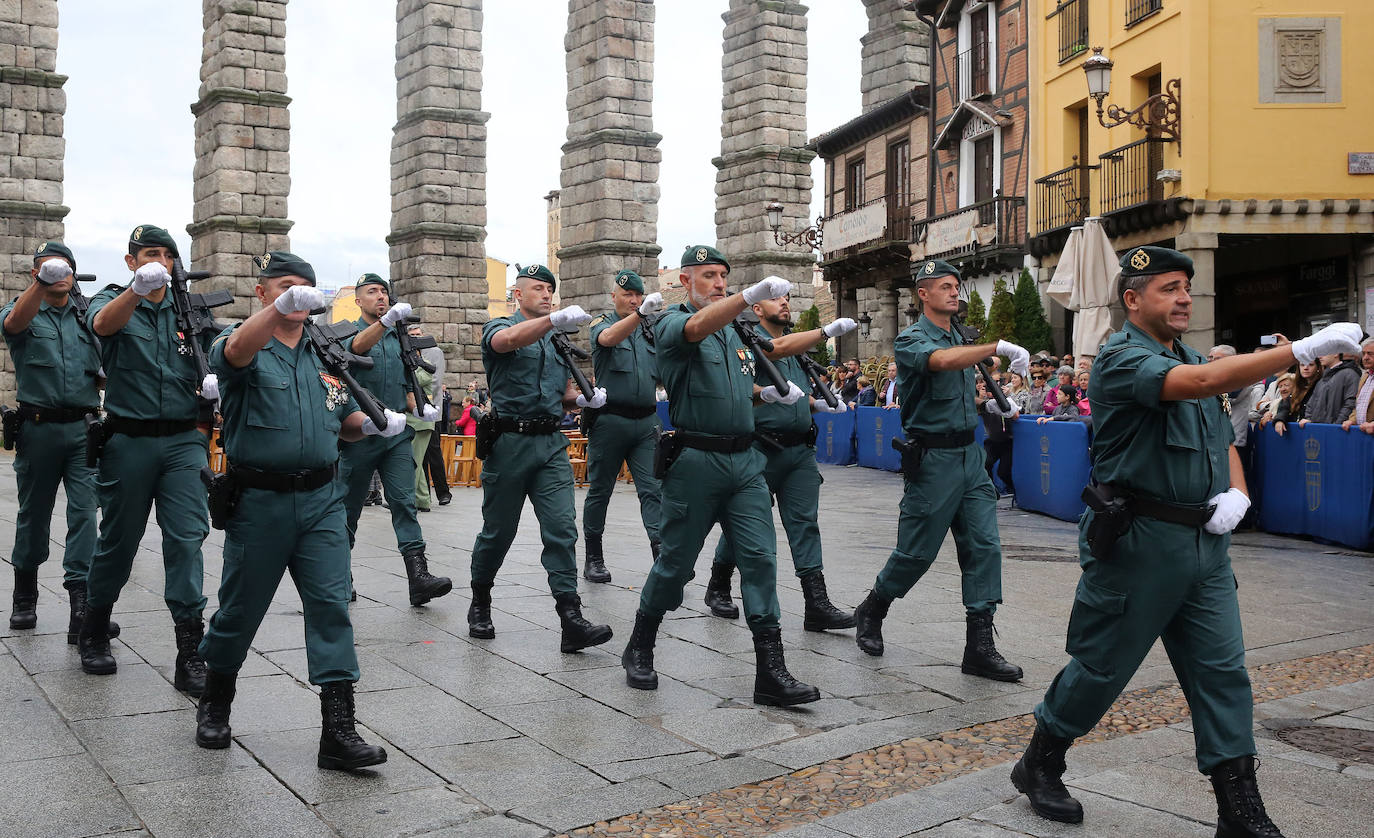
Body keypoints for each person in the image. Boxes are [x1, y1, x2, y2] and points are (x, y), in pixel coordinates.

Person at [1011, 245, 1361, 835]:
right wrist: (1296, 351)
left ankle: (1240, 809)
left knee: (1223, 672)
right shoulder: (1122, 357)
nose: (1182, 298)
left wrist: (1238, 492)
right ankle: (1041, 759)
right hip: (1138, 543)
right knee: (1101, 667)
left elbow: (1220, 432)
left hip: (1203, 543)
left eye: (1186, 288)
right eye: (1168, 288)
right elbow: (1199, 383)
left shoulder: (1190, 354)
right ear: (1132, 299)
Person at [195, 251, 399, 770]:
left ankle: (339, 731)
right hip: (260, 501)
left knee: (331, 606)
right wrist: (279, 309)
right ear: (261, 292)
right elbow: (235, 351)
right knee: (241, 609)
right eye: (285, 286)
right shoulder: (241, 342)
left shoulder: (324, 351)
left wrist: (371, 425)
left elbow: (343, 417)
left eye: (304, 287)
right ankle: (215, 700)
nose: (296, 295)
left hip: (322, 500)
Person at [620, 246, 819, 707]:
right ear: (684, 282)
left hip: (746, 461)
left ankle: (771, 671)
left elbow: (737, 382)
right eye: (708, 275)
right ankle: (641, 643)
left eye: (723, 276)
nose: (718, 282)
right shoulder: (671, 321)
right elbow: (694, 329)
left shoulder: (736, 330)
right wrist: (747, 298)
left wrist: (763, 395)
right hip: (695, 461)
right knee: (675, 565)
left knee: (760, 560)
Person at [852, 259, 1025, 682]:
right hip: (933, 461)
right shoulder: (913, 340)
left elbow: (957, 394)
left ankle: (980, 647)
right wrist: (996, 347)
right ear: (923, 294)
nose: (953, 292)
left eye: (956, 286)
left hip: (969, 457)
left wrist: (991, 404)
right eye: (944, 286)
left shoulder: (962, 339)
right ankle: (873, 607)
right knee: (916, 553)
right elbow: (942, 363)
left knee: (984, 547)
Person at [77, 225, 216, 694]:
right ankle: (95, 627)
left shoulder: (191, 309)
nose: (159, 261)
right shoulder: (113, 299)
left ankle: (189, 651)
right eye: (149, 254)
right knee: (119, 540)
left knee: (186, 540)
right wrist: (137, 292)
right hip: (129, 439)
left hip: (183, 441)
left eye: (167, 255)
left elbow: (220, 353)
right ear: (131, 261)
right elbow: (101, 327)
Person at [468, 264, 613, 652]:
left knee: (562, 529)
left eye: (550, 289)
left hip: (550, 442)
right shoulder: (500, 325)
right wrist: (551, 321)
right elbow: (505, 343)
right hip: (510, 443)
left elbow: (563, 391)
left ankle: (571, 617)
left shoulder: (556, 339)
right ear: (518, 294)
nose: (546, 294)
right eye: (537, 288)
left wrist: (582, 397)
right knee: (498, 532)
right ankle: (480, 599)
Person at [701, 292, 857, 631]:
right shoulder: (749, 345)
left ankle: (816, 604)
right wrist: (825, 333)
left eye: (788, 298)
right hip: (760, 449)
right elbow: (752, 387)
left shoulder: (795, 348)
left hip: (799, 452)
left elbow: (797, 393)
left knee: (805, 524)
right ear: (756, 309)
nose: (785, 303)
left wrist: (819, 405)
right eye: (776, 300)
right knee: (747, 522)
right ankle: (719, 583)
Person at [2, 242, 111, 642]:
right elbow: (13, 324)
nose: (58, 273)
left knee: (85, 514)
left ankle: (79, 603)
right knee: (34, 513)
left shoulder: (88, 319)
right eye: (48, 268)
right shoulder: (24, 309)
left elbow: (103, 368)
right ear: (35, 274)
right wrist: (38, 286)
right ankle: (25, 592)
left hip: (83, 429)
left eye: (64, 267)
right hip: (39, 428)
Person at [337, 274, 450, 607]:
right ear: (359, 300)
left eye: (384, 291)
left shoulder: (400, 340)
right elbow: (356, 349)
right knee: (348, 510)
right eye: (372, 292)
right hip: (360, 435)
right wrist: (386, 323)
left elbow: (405, 389)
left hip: (396, 435)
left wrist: (424, 407)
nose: (380, 296)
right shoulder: (349, 331)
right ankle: (341, 577)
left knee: (404, 502)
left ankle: (419, 577)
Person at [582, 269, 664, 583]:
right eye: (627, 294)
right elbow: (607, 339)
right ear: (614, 295)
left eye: (637, 296)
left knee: (653, 491)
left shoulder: (650, 330)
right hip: (610, 421)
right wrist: (640, 315)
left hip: (645, 421)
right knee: (600, 491)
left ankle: (662, 556)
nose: (633, 300)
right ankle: (594, 557)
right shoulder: (601, 323)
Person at [405, 324, 440, 512]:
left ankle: (409, 500)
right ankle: (422, 500)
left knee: (414, 463)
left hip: (421, 421)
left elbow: (417, 380)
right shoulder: (417, 362)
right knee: (416, 462)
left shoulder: (424, 363)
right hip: (415, 420)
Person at [1301, 350, 1360, 426]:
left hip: (1336, 431)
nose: (1319, 356)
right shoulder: (1323, 378)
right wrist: (1309, 420)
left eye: (1324, 352)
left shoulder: (1350, 375)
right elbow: (1311, 404)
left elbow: (1350, 403)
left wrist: (1336, 426)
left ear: (1336, 353)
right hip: (1319, 431)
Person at [1272, 360, 1320, 435]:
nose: (1306, 368)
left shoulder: (1321, 385)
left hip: (1314, 431)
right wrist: (1279, 420)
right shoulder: (1298, 387)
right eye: (1302, 365)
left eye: (1310, 365)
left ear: (1318, 367)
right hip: (1295, 432)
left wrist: (1312, 420)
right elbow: (1285, 407)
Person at [1340, 338, 1374, 434]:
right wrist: (1352, 420)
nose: (1365, 357)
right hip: (1362, 435)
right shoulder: (1365, 377)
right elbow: (1358, 406)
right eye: (1363, 354)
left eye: (1370, 353)